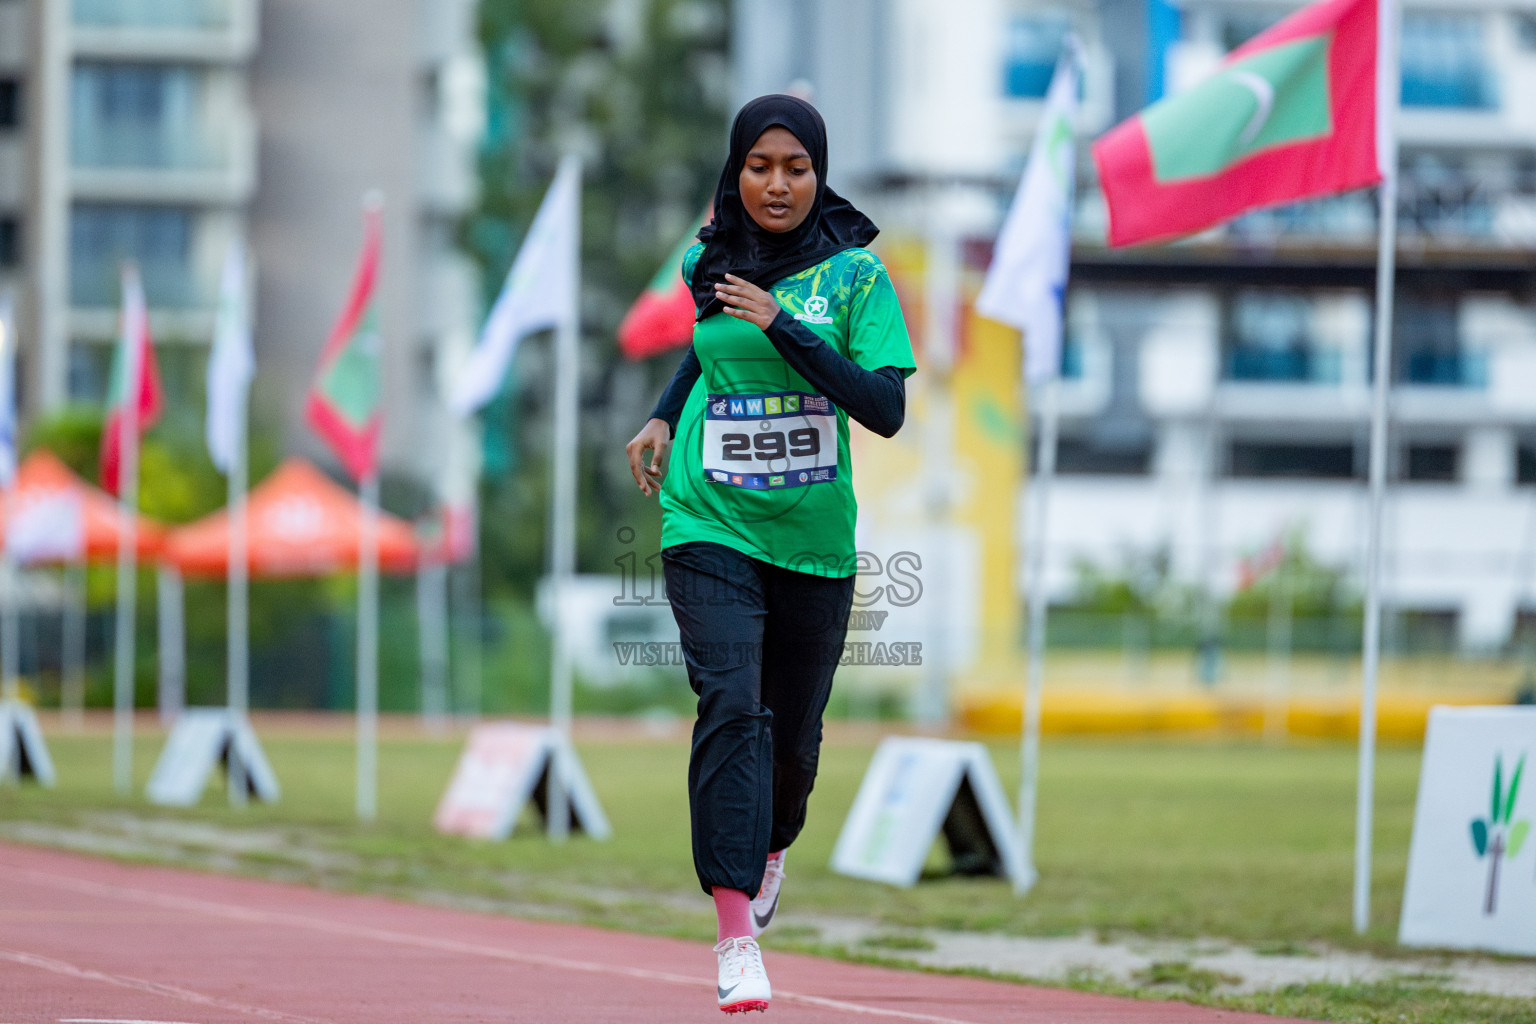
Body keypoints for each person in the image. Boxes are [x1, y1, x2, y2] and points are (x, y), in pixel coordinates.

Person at [626, 94, 915, 1015]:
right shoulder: (706, 257)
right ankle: (734, 933)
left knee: (791, 744)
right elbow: (708, 350)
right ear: (736, 172)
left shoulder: (860, 277)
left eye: (796, 167)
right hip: (708, 519)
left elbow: (883, 409)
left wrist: (781, 325)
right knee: (730, 702)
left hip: (812, 541)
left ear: (819, 173)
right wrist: (666, 413)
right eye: (760, 166)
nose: (778, 184)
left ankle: (774, 843)